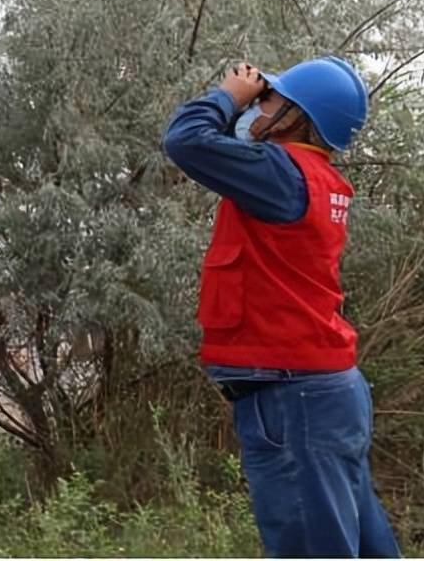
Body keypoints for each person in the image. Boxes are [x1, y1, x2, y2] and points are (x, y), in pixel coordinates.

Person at [162, 57, 401, 558]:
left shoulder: (280, 173)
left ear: (295, 116)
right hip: (326, 390)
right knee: (361, 545)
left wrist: (227, 95)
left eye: (267, 100)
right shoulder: (313, 179)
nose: (256, 106)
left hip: (295, 400)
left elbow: (184, 140)